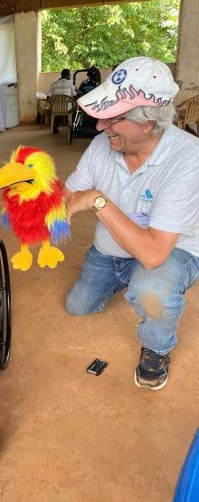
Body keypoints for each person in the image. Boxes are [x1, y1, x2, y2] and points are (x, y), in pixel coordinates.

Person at [63, 56, 199, 391]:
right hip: (112, 250)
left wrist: (98, 201)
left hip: (170, 252)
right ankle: (130, 279)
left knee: (153, 287)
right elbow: (65, 195)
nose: (99, 126)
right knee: (77, 307)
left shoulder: (187, 159)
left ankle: (157, 348)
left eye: (113, 119)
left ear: (148, 122)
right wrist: (35, 202)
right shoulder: (101, 145)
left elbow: (153, 254)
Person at [47, 68, 77, 133]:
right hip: (67, 108)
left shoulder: (53, 84)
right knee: (75, 108)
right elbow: (75, 97)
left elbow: (48, 98)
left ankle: (56, 124)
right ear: (68, 75)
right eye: (70, 75)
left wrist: (53, 102)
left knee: (59, 109)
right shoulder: (71, 83)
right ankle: (72, 126)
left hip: (55, 108)